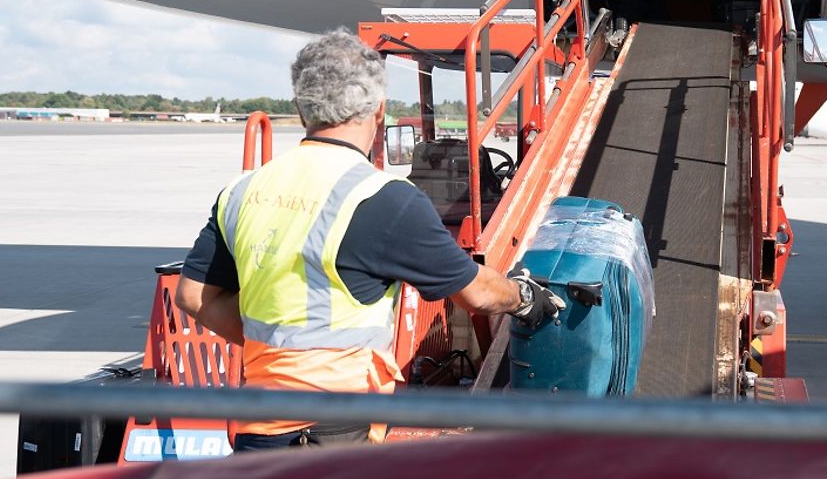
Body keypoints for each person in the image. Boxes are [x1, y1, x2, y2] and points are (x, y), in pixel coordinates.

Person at [175, 30, 563, 451]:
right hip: (331, 439)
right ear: (379, 110)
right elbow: (477, 293)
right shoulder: (382, 199)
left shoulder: (243, 190)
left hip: (257, 435)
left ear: (302, 108)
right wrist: (526, 297)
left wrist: (281, 358)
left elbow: (195, 297)